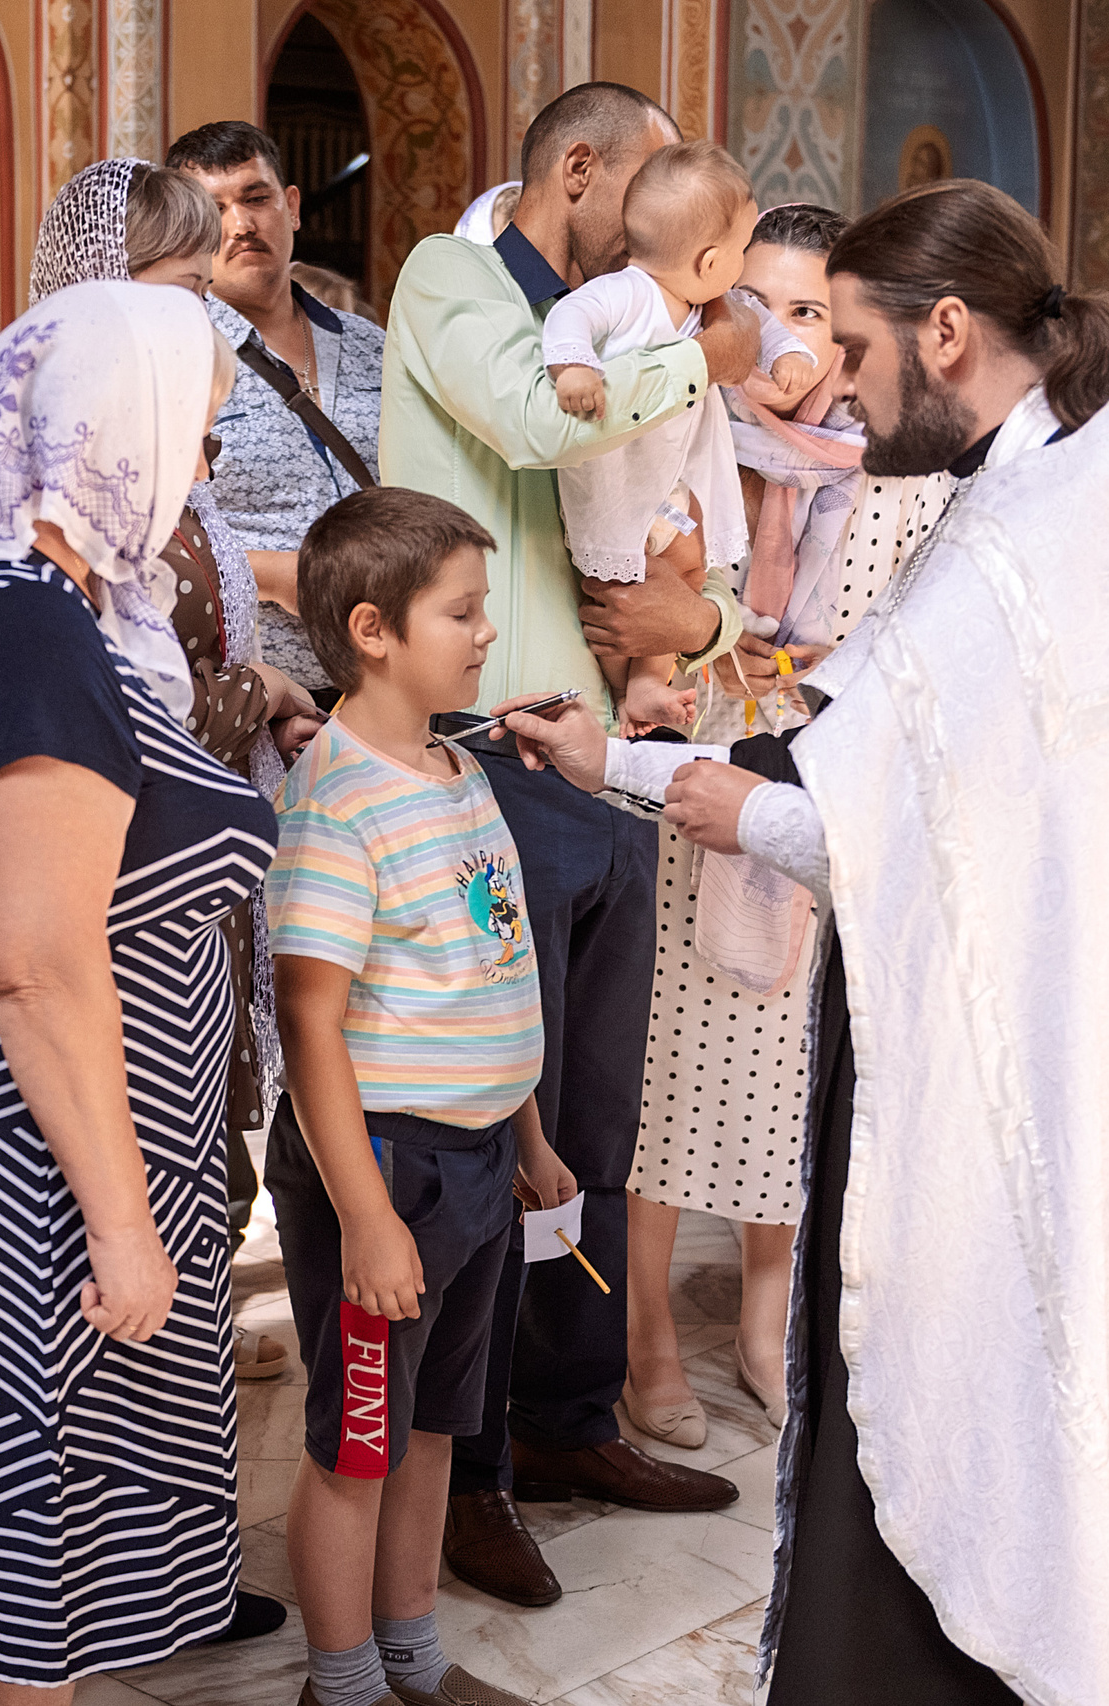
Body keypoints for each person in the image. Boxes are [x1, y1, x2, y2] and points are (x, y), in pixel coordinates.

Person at [498, 177, 1109, 1704]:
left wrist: (639, 777)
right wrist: (615, 762)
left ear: (949, 331)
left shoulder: (1027, 541)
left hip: (961, 1050)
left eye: (863, 349)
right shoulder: (1058, 492)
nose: (851, 391)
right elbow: (880, 771)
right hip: (984, 1014)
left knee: (940, 1388)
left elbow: (843, 823)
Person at [0, 281, 278, 1693]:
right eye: (196, 434)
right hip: (45, 1183)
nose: (199, 472)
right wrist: (126, 1225)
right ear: (119, 427)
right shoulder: (25, 624)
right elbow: (36, 961)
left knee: (14, 1537)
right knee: (44, 1557)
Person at [378, 79, 761, 1608]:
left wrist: (709, 619)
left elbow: (701, 539)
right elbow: (543, 420)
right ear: (582, 169)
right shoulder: (449, 280)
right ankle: (467, 1473)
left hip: (609, 760)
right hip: (479, 759)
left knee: (597, 1118)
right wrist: (712, 342)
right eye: (654, 187)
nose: (676, 230)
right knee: (491, 1137)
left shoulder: (652, 321)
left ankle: (568, 1413)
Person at [620, 200, 950, 1440]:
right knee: (656, 1079)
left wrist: (727, 643)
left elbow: (875, 657)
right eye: (755, 306)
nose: (784, 338)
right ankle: (646, 1337)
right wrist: (735, 646)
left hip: (808, 807)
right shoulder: (677, 434)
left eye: (812, 311)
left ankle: (766, 1328)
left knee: (783, 1077)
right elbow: (633, 611)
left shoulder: (897, 482)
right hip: (665, 797)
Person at [28, 159, 327, 1403]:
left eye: (207, 287)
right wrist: (251, 696)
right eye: (178, 283)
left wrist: (263, 694)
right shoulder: (61, 473)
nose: (196, 316)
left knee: (204, 1155)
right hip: (112, 890)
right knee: (127, 1183)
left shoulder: (164, 445)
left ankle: (180, 1524)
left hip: (196, 876)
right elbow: (98, 690)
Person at [266, 486, 566, 1706]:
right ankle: (340, 1686)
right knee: (359, 1441)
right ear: (374, 626)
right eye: (463, 610)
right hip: (385, 1166)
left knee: (436, 1425)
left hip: (478, 1155)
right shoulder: (339, 798)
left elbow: (488, 966)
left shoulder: (452, 765)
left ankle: (413, 1661)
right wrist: (371, 1218)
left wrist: (529, 1129)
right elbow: (308, 1020)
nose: (487, 632)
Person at [543, 141, 814, 733]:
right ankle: (623, 694)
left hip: (668, 487)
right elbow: (570, 318)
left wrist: (788, 351)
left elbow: (761, 326)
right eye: (742, 251)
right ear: (711, 259)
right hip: (619, 484)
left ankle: (644, 683)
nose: (742, 265)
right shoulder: (624, 293)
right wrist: (573, 366)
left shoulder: (709, 305)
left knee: (686, 570)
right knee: (618, 591)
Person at [168, 121, 386, 698]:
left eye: (255, 198)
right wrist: (279, 575)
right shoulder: (176, 356)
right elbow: (147, 536)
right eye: (214, 209)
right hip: (260, 691)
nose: (240, 224)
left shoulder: (373, 346)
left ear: (290, 207)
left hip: (387, 681)